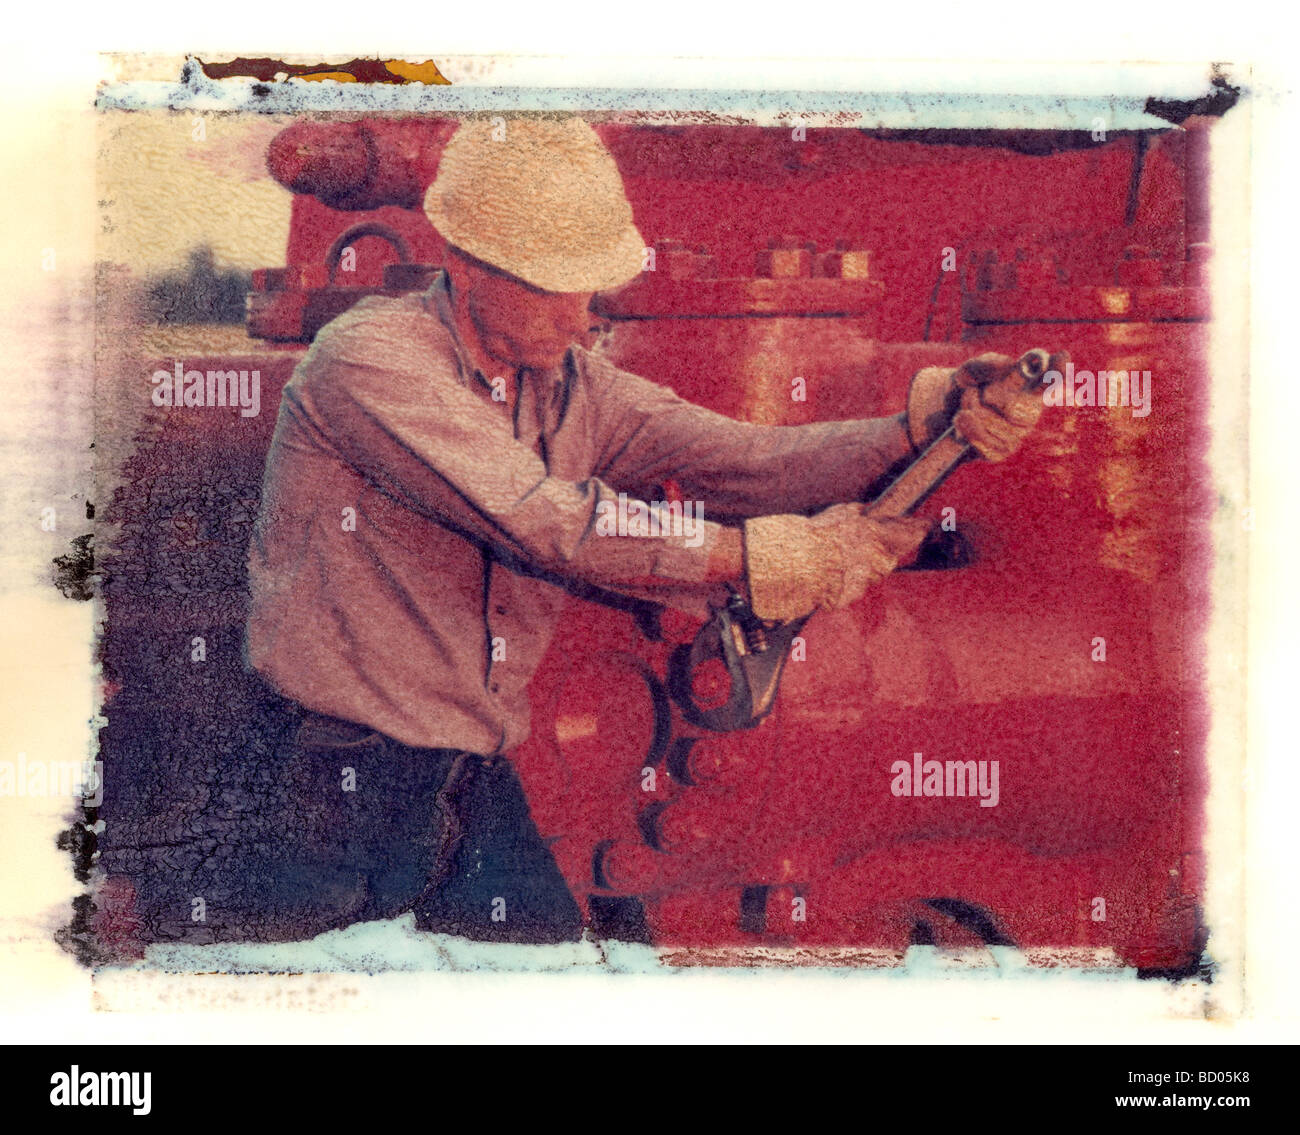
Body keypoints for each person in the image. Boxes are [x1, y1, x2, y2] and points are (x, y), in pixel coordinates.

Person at [245, 117, 1043, 943]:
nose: (581, 316)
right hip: (333, 775)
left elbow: (748, 461)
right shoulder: (369, 361)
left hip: (467, 768)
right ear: (465, 263)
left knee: (541, 985)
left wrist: (919, 426)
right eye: (555, 285)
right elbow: (549, 519)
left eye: (589, 286)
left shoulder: (568, 384)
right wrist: (750, 557)